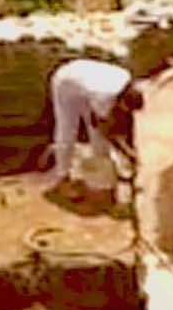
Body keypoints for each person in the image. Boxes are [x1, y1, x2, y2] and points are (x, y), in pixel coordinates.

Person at [43, 55, 142, 205]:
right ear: (121, 101)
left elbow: (127, 121)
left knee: (96, 136)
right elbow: (104, 129)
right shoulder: (104, 95)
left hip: (84, 83)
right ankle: (62, 177)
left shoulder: (126, 79)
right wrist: (126, 152)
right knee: (68, 129)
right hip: (66, 84)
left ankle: (103, 175)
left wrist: (132, 148)